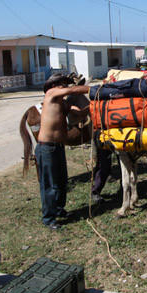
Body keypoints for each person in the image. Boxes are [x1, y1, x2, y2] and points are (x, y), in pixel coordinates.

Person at [36, 74, 90, 230]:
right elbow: (75, 89)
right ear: (54, 86)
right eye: (62, 85)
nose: (65, 87)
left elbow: (80, 113)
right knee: (49, 185)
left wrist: (92, 106)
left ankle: (59, 209)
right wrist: (95, 89)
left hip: (58, 147)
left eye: (66, 85)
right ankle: (49, 218)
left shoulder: (65, 104)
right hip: (46, 148)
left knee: (61, 182)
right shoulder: (50, 95)